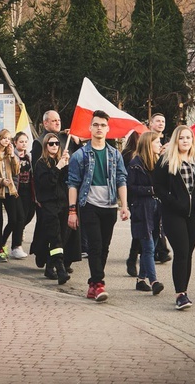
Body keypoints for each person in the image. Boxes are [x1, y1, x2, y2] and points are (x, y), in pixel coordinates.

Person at [67, 110, 130, 302]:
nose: (99, 128)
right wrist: (72, 211)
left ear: (108, 129)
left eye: (103, 125)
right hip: (89, 205)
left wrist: (124, 206)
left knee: (104, 247)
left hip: (109, 206)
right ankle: (99, 283)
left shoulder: (114, 154)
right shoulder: (80, 155)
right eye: (96, 125)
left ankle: (93, 285)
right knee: (94, 245)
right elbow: (72, 183)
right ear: (90, 128)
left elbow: (121, 179)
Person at [153, 125, 195, 310]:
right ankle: (180, 294)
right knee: (181, 252)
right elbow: (158, 186)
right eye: (182, 138)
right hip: (173, 214)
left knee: (188, 254)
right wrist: (173, 202)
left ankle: (185, 290)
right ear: (176, 140)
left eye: (188, 138)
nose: (185, 141)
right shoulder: (166, 161)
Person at [128, 132, 165, 295]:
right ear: (148, 144)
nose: (160, 144)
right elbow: (131, 188)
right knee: (149, 247)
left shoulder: (158, 162)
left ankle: (141, 279)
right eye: (157, 142)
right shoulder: (135, 163)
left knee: (153, 244)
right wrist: (150, 190)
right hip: (142, 209)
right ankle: (154, 281)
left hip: (157, 208)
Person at [33, 133, 72, 284]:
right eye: (51, 144)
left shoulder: (61, 161)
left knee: (63, 236)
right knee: (55, 238)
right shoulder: (41, 164)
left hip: (63, 203)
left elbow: (66, 182)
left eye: (57, 143)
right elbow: (46, 184)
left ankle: (50, 266)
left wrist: (66, 165)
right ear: (45, 146)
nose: (55, 146)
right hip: (49, 205)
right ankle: (60, 270)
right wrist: (57, 168)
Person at [0, 129, 22, 262]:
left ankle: (2, 242)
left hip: (10, 190)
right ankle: (0, 250)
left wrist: (13, 155)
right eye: (4, 138)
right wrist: (0, 181)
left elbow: (16, 171)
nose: (6, 141)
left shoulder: (10, 154)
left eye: (9, 138)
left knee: (14, 220)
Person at [3, 131, 33, 260]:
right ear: (15, 142)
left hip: (28, 190)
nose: (24, 144)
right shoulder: (11, 155)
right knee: (17, 219)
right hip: (16, 191)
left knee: (28, 216)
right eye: (21, 141)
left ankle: (6, 242)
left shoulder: (29, 157)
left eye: (26, 141)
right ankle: (15, 246)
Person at [149, 113, 172, 264]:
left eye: (163, 121)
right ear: (150, 123)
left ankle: (158, 251)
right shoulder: (145, 138)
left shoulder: (168, 140)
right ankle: (158, 251)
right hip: (150, 188)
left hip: (162, 189)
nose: (161, 123)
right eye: (158, 121)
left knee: (159, 224)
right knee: (153, 224)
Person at [122, 130, 141, 277]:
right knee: (140, 230)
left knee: (147, 231)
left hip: (148, 198)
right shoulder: (128, 155)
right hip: (134, 197)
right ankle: (132, 258)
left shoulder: (149, 154)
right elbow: (126, 180)